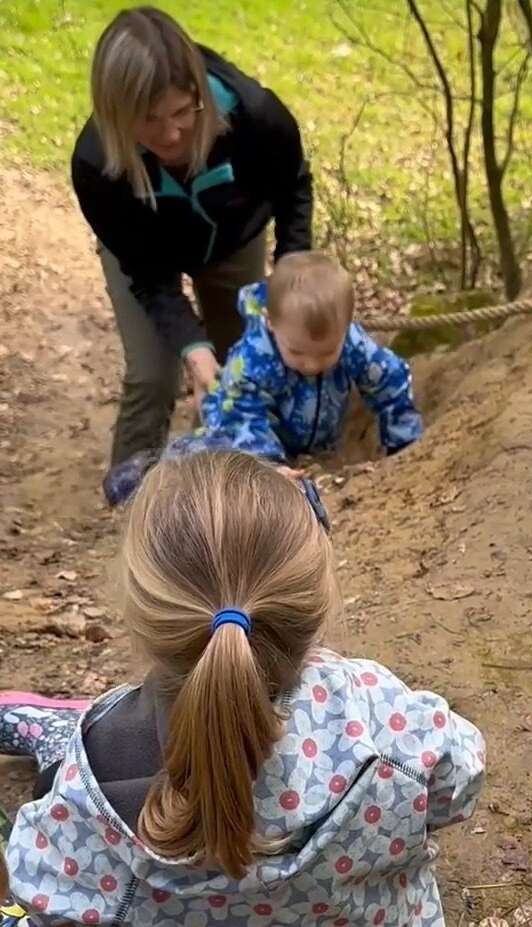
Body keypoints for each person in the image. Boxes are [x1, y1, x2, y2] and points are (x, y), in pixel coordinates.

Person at [1, 452, 484, 924]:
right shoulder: (383, 718)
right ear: (318, 598)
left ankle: (52, 737)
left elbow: (42, 893)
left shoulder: (89, 788)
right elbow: (456, 786)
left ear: (138, 609)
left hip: (104, 754)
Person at [73, 6, 313, 473]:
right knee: (152, 376)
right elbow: (147, 276)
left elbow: (293, 185)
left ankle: (247, 473)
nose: (171, 133)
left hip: (232, 239)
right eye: (148, 121)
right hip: (143, 257)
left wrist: (292, 269)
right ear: (116, 115)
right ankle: (132, 489)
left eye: (182, 111)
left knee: (242, 356)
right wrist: (191, 347)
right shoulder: (96, 164)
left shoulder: (255, 114)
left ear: (199, 92)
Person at [101, 251, 423, 505]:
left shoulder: (353, 343)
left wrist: (403, 442)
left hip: (307, 437)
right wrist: (268, 465)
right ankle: (144, 477)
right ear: (271, 323)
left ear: (347, 328)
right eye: (297, 353)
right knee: (207, 455)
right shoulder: (255, 357)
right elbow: (243, 417)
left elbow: (390, 381)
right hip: (237, 421)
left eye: (326, 354)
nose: (311, 365)